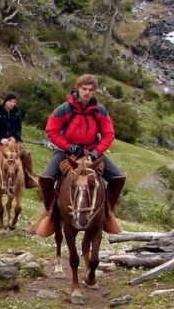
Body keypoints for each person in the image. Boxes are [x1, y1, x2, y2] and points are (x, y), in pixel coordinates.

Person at [35, 74, 125, 236]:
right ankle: (50, 213)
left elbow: (108, 134)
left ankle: (107, 211)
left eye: (91, 90)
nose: (87, 93)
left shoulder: (99, 110)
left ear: (94, 92)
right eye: (84, 89)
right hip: (67, 151)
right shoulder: (65, 109)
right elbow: (51, 130)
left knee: (118, 177)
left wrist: (96, 152)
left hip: (92, 152)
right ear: (77, 88)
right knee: (46, 178)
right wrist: (69, 147)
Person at [0, 92, 39, 190]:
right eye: (10, 101)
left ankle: (28, 178)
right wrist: (0, 139)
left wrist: (15, 137)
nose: (12, 104)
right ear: (5, 101)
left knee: (27, 154)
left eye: (14, 102)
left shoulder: (17, 113)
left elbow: (19, 129)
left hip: (13, 141)